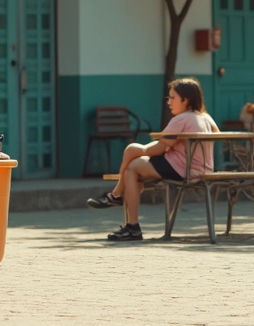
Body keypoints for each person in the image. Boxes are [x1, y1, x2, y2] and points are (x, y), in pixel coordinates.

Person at [87, 78, 218, 240]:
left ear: (185, 99)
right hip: (202, 169)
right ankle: (119, 201)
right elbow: (214, 135)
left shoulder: (181, 119)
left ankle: (128, 218)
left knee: (132, 164)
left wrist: (140, 150)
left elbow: (160, 148)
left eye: (172, 98)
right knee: (133, 170)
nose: (169, 102)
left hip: (182, 168)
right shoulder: (206, 117)